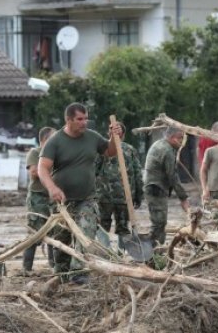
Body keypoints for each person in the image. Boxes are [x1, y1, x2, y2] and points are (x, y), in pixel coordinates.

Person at [38, 103, 122, 284]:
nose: (84, 122)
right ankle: (61, 275)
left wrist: (114, 137)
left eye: (86, 118)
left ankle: (79, 272)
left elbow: (110, 152)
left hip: (87, 199)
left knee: (85, 232)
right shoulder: (55, 141)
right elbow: (42, 169)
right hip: (62, 202)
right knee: (62, 240)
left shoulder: (92, 137)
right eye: (79, 119)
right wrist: (52, 188)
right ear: (68, 120)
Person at [95, 122, 144, 241]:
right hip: (124, 196)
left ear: (109, 133)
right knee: (123, 227)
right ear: (123, 135)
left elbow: (94, 171)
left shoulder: (102, 149)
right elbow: (138, 174)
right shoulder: (130, 150)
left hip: (104, 196)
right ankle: (122, 253)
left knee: (103, 225)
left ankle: (104, 251)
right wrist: (138, 196)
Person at [144, 127, 191, 245]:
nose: (182, 142)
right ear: (172, 137)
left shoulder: (160, 144)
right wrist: (183, 198)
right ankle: (152, 252)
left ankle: (154, 251)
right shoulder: (167, 150)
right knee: (159, 224)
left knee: (159, 223)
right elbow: (173, 177)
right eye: (180, 138)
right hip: (156, 189)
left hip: (154, 187)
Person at [23, 126, 56, 272]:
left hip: (52, 198)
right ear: (44, 140)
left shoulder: (56, 153)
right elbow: (34, 172)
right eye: (53, 137)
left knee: (54, 232)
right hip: (38, 198)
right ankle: (26, 268)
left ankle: (53, 266)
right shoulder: (35, 152)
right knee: (35, 234)